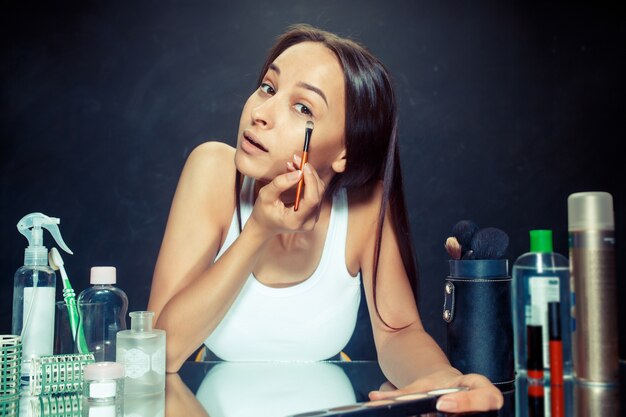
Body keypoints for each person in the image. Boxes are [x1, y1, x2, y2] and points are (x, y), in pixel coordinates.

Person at [147, 23, 503, 413]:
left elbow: (398, 331)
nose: (261, 113)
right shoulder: (212, 170)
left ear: (344, 153)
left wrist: (440, 381)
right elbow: (159, 352)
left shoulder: (365, 204)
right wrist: (258, 232)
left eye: (303, 108)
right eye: (268, 87)